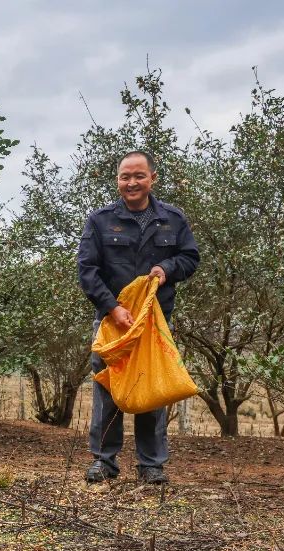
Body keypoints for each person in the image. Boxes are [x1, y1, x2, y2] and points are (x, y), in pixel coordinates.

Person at [77, 150, 200, 485]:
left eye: (138, 176)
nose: (131, 183)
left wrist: (168, 268)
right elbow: (87, 271)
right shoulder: (100, 220)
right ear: (118, 180)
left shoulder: (172, 219)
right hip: (111, 321)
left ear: (152, 179)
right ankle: (104, 462)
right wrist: (113, 308)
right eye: (124, 177)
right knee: (108, 388)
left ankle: (151, 465)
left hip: (154, 323)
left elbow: (190, 257)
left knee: (153, 387)